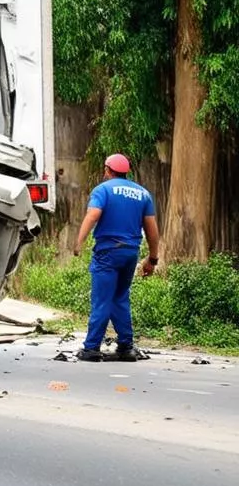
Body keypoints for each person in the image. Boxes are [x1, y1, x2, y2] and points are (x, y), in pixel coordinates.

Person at [73, 153, 159, 362]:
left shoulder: (102, 190)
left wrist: (78, 242)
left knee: (102, 299)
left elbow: (93, 215)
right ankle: (126, 347)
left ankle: (91, 347)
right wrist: (152, 259)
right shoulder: (143, 194)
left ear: (107, 170)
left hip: (108, 252)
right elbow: (152, 229)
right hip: (130, 253)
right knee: (120, 297)